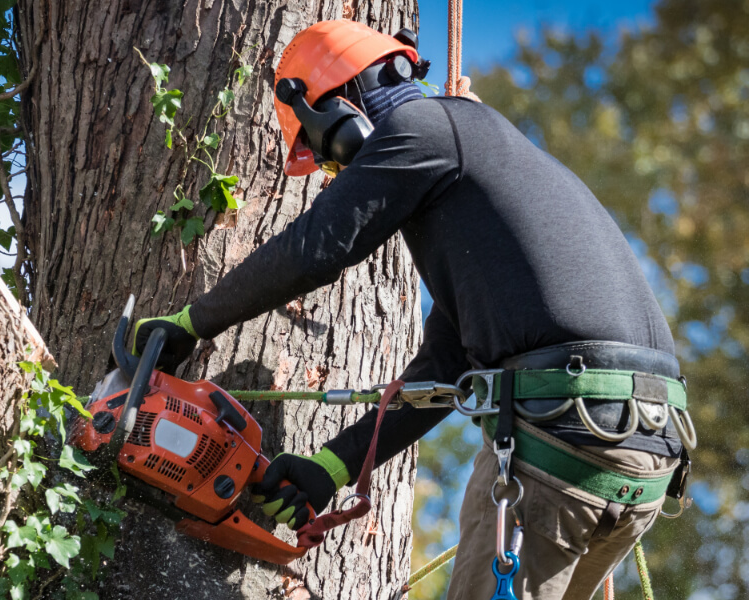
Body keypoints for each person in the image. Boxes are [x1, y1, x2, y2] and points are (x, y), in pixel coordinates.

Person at [132, 20, 692, 600]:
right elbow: (447, 366)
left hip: (560, 447)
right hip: (643, 457)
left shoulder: (421, 128)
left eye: (327, 162)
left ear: (336, 114)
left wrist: (188, 325)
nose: (337, 177)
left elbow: (316, 249)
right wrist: (331, 467)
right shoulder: (487, 175)